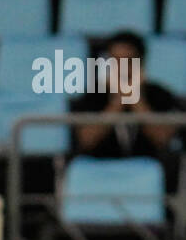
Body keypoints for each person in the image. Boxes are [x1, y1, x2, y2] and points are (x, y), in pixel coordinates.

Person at [73, 32, 179, 164]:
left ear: (141, 63)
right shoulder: (93, 94)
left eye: (128, 62)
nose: (121, 69)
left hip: (148, 171)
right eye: (115, 61)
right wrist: (118, 102)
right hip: (101, 169)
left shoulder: (160, 94)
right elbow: (87, 140)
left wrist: (135, 99)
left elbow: (162, 139)